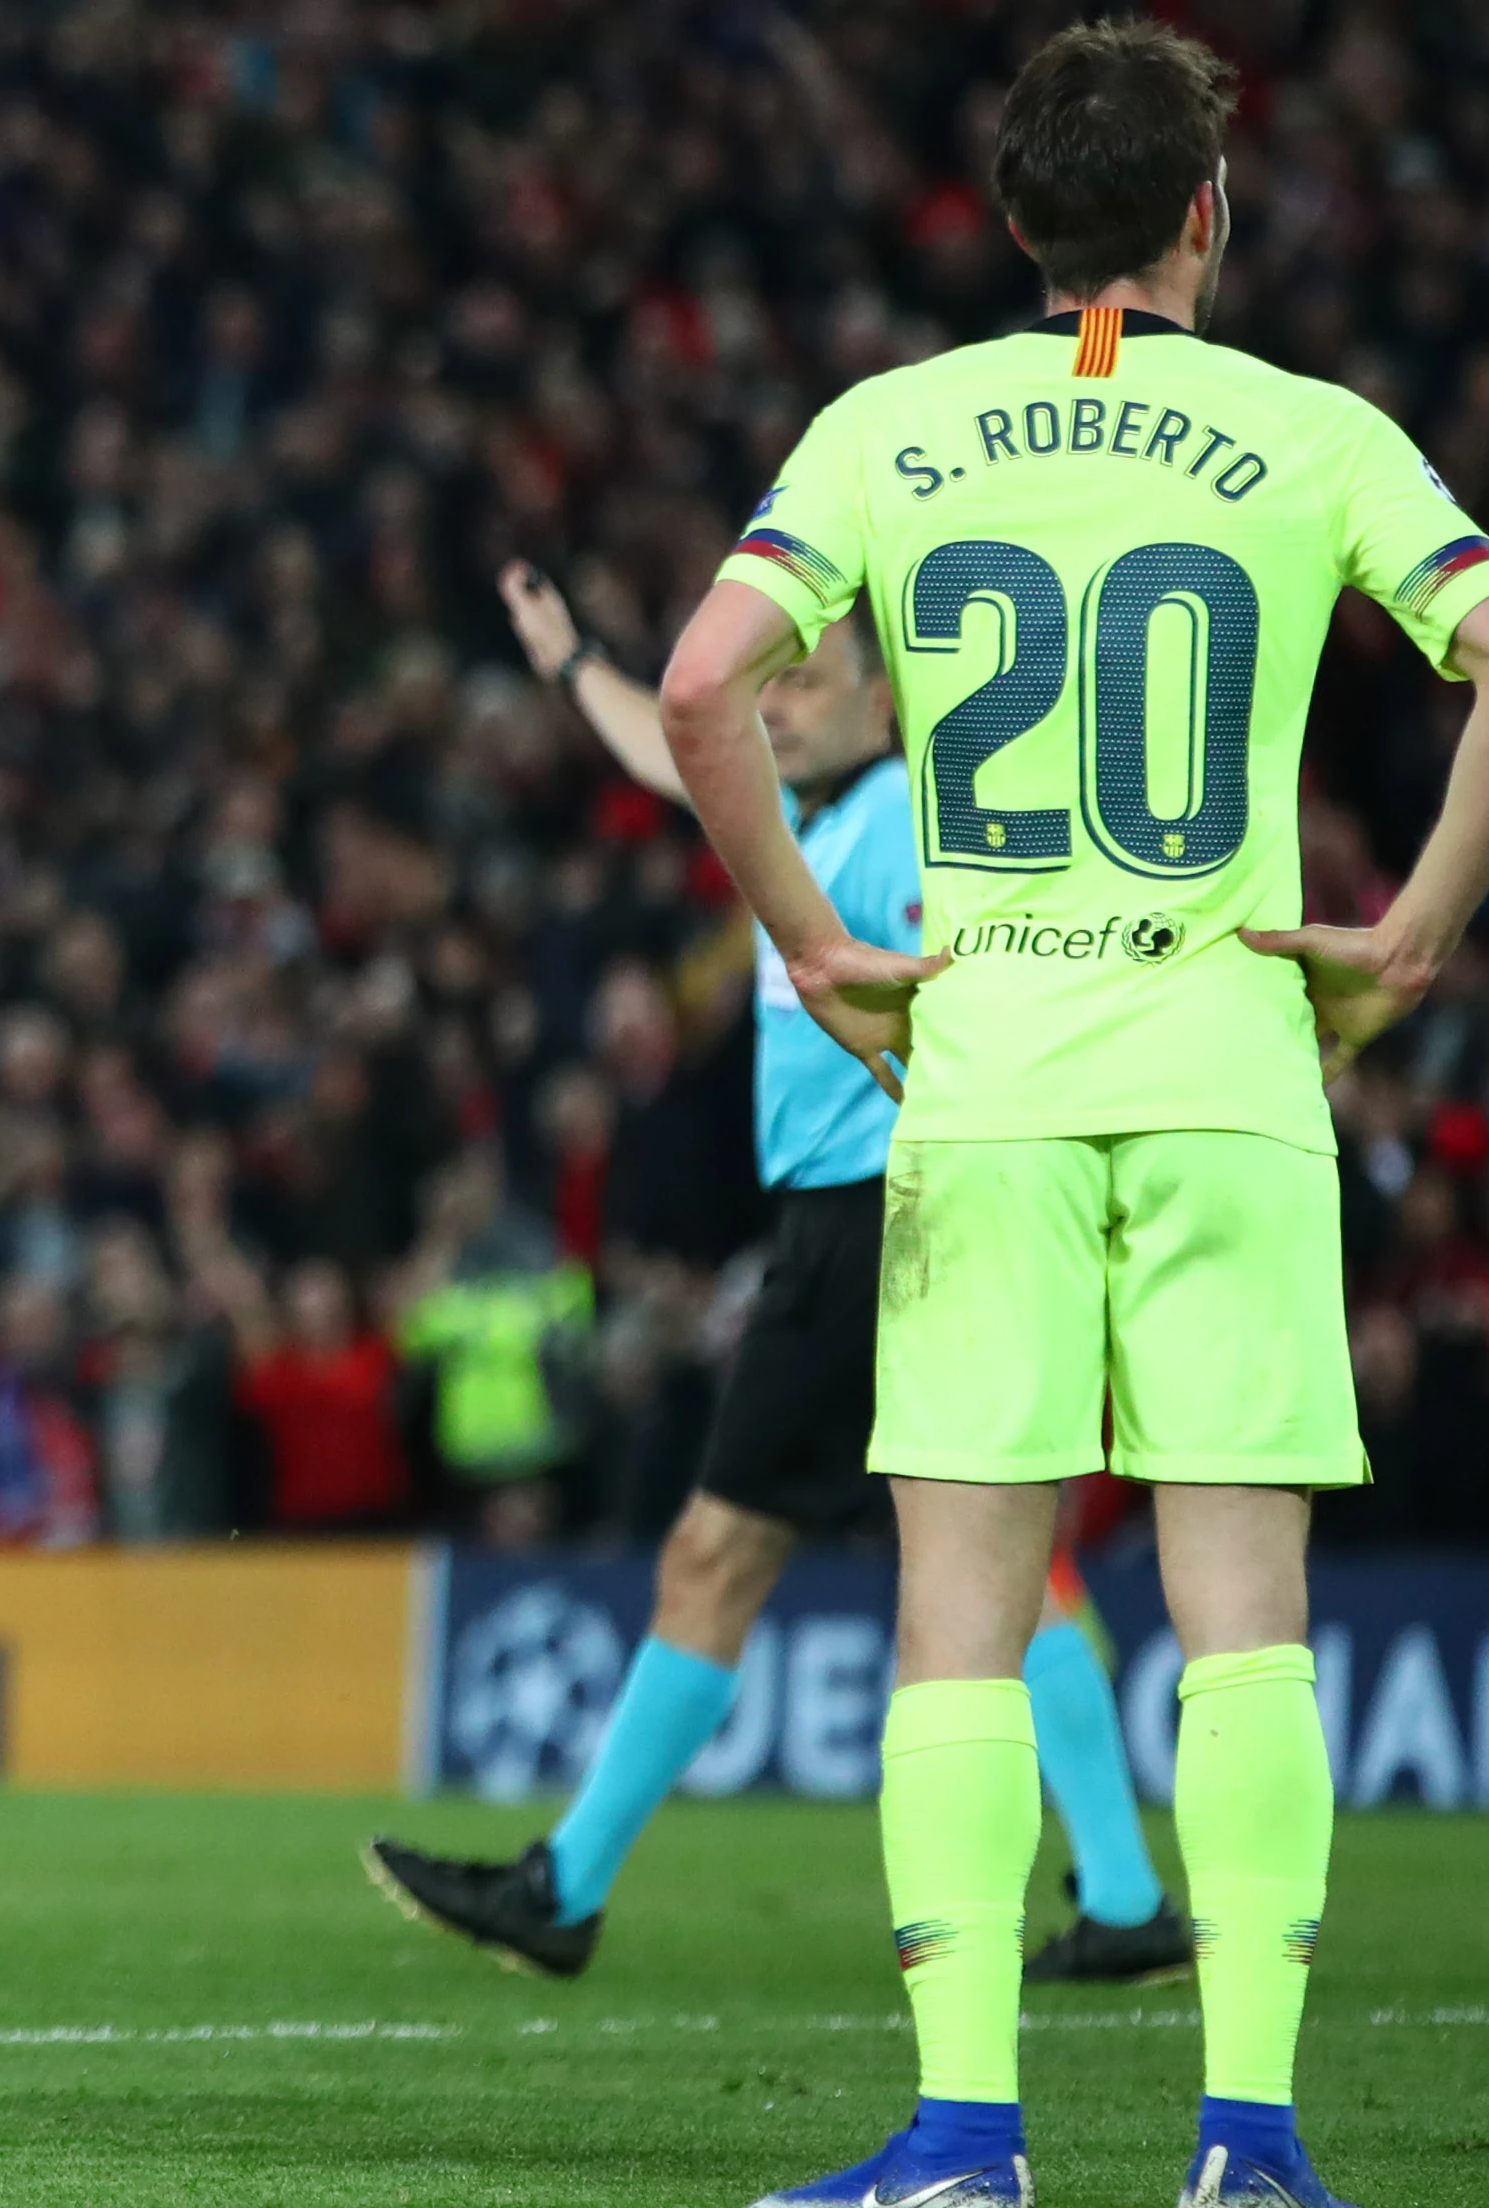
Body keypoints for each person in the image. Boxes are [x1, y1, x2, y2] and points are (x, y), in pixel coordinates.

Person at [657, 24, 1489, 2207]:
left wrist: (806, 936)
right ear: (1203, 215)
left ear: (1007, 223)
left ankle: (966, 2139)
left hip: (979, 1080)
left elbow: (701, 683)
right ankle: (1246, 2140)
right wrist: (1411, 938)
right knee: (1242, 1611)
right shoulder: (1314, 431)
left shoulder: (888, 430)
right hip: (1231, 1072)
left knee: (961, 1613)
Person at [366, 569, 1186, 1986]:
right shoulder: (790, 816)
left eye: (811, 677)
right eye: (774, 678)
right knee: (1005, 1558)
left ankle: (565, 1886)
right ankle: (1119, 1895)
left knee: (721, 1549)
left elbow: (968, 979)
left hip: (875, 1215)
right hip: (881, 1221)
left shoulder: (905, 821)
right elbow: (662, 739)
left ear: (888, 697)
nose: (782, 695)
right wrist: (571, 664)